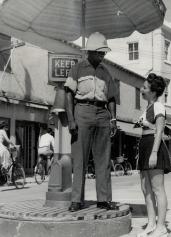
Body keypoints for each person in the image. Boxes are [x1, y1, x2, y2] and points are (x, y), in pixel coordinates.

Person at [64, 32, 118, 212]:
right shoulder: (77, 69)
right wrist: (71, 120)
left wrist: (113, 119)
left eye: (104, 52)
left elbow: (111, 98)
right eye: (100, 52)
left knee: (103, 159)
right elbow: (69, 95)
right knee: (80, 159)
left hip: (103, 114)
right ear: (91, 52)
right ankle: (76, 200)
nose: (103, 55)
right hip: (82, 112)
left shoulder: (106, 72)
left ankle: (103, 199)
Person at [135, 73, 171, 237]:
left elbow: (159, 130)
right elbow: (147, 128)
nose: (141, 90)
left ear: (153, 91)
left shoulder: (158, 106)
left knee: (157, 189)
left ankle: (161, 226)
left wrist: (154, 153)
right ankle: (151, 223)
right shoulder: (148, 108)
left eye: (144, 87)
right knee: (145, 188)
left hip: (153, 145)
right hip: (144, 145)